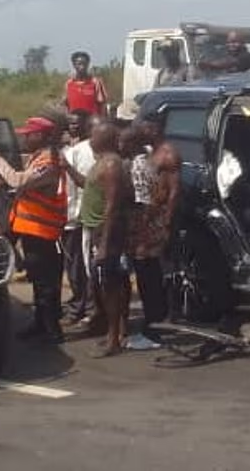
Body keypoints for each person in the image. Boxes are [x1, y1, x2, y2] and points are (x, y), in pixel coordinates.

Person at [0, 116, 67, 344]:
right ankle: (40, 324)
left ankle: (51, 330)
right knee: (39, 281)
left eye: (29, 134)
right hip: (32, 229)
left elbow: (19, 181)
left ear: (41, 135)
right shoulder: (39, 157)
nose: (25, 138)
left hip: (43, 231)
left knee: (46, 284)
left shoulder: (48, 161)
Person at [79, 123, 132, 357]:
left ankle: (113, 339)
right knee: (108, 283)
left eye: (94, 135)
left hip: (106, 232)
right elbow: (89, 186)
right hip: (97, 230)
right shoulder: (101, 162)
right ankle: (117, 332)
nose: (90, 139)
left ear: (104, 139)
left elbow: (112, 206)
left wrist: (104, 244)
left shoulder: (111, 165)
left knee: (109, 285)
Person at [126, 119, 182, 337]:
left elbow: (174, 191)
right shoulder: (151, 153)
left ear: (155, 129)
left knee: (154, 272)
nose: (141, 132)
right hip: (147, 219)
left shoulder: (167, 154)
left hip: (157, 220)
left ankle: (160, 319)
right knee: (145, 271)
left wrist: (166, 221)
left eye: (144, 129)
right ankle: (153, 317)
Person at [59, 110, 100, 326]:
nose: (73, 127)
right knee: (78, 266)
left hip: (87, 218)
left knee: (86, 267)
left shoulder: (101, 153)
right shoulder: (75, 151)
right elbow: (68, 189)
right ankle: (81, 306)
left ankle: (87, 309)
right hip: (76, 217)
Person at [61, 52, 109, 117]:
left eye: (84, 64)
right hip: (73, 121)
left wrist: (102, 120)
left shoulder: (95, 82)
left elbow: (102, 104)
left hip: (92, 121)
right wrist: (67, 118)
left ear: (88, 64)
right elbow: (65, 104)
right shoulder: (69, 84)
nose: (82, 67)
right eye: (79, 64)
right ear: (74, 65)